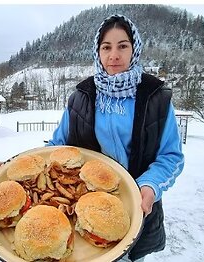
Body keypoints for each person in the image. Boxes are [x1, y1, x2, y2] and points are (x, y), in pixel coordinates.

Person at [46, 14, 184, 261]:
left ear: (134, 49)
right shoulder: (81, 96)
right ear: (97, 52)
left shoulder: (156, 98)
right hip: (80, 210)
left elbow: (171, 156)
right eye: (106, 47)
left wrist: (149, 186)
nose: (114, 55)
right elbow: (57, 146)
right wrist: (22, 164)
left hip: (132, 208)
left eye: (123, 46)